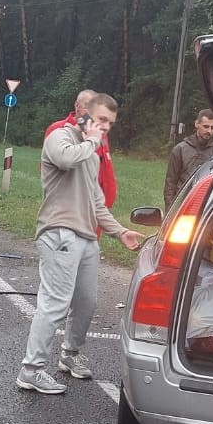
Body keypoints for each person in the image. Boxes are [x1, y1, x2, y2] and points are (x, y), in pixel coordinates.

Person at [17, 93, 143, 394]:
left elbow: (96, 202)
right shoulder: (60, 136)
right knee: (54, 304)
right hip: (59, 232)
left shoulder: (92, 153)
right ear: (84, 113)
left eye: (110, 124)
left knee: (86, 303)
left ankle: (70, 355)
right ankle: (31, 369)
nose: (105, 128)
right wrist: (91, 142)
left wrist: (119, 231)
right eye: (101, 120)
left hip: (87, 238)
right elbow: (64, 158)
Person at [45, 89, 117, 208]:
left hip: (96, 209)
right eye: (86, 106)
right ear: (76, 106)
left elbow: (105, 168)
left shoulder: (100, 133)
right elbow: (50, 170)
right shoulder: (58, 129)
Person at [163, 109, 213, 206]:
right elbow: (170, 184)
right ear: (197, 124)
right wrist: (170, 211)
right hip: (184, 203)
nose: (209, 131)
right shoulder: (180, 150)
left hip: (209, 205)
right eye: (205, 126)